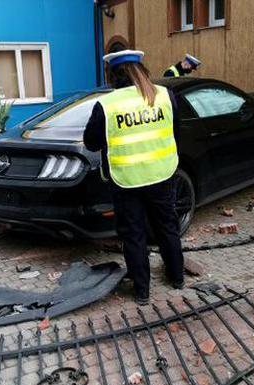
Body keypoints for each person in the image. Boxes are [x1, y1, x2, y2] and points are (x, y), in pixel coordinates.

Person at [84, 49, 184, 305]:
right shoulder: (164, 95)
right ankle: (177, 277)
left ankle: (142, 291)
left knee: (134, 235)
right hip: (163, 174)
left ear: (112, 76)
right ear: (142, 70)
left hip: (126, 180)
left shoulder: (107, 105)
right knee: (167, 227)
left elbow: (91, 143)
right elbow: (175, 129)